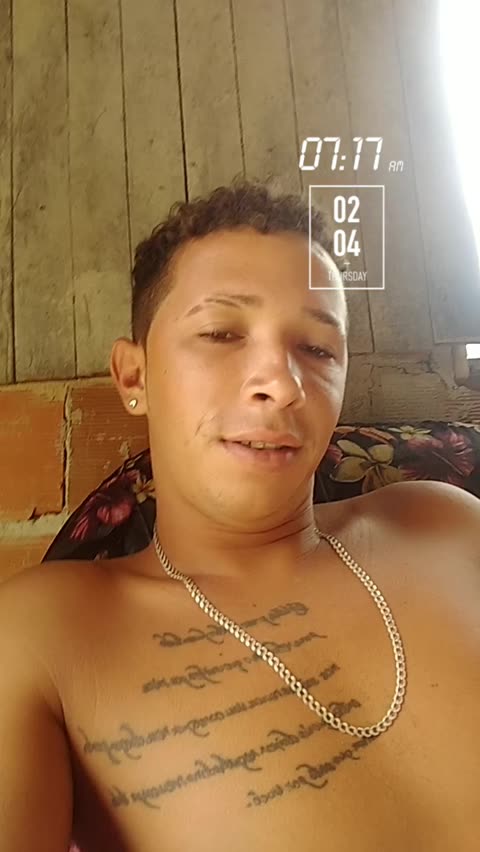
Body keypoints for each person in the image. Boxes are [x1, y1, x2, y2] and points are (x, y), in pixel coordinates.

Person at [0, 178, 479, 852]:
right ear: (134, 376)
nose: (282, 384)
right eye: (222, 333)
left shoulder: (446, 526)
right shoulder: (43, 637)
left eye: (318, 349)